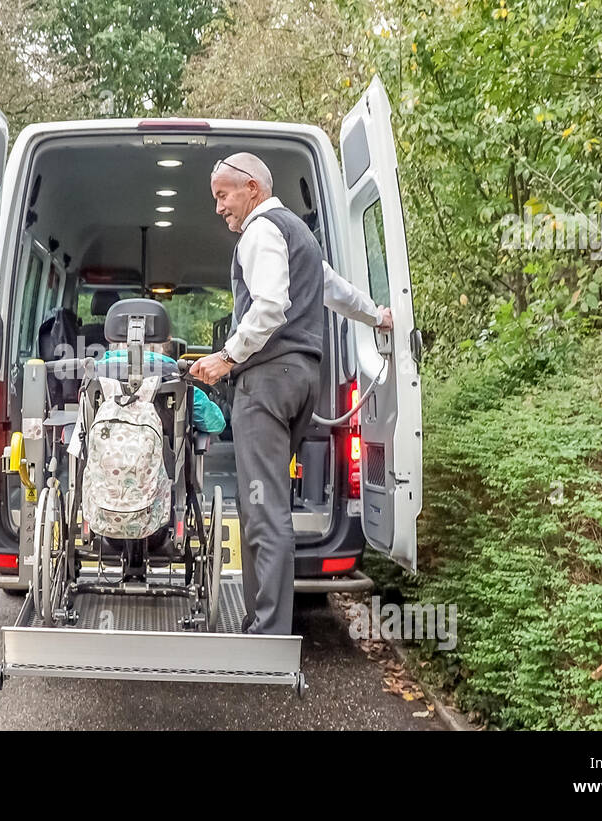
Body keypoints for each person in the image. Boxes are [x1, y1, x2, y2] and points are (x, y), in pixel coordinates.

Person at [189, 152, 392, 635]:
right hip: (304, 381)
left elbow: (270, 307)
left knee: (262, 507)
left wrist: (226, 358)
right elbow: (336, 291)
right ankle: (265, 618)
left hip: (266, 383)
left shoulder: (260, 232)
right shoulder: (299, 234)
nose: (219, 208)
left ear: (252, 189)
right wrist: (379, 316)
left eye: (223, 195)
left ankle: (268, 629)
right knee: (272, 498)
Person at [98, 339, 226, 434]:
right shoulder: (175, 377)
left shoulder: (95, 375)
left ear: (115, 344)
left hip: (99, 463)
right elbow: (216, 424)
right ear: (165, 347)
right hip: (162, 466)